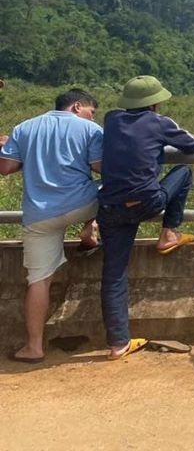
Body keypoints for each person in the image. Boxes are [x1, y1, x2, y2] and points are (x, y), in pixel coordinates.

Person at [97, 75, 194, 360]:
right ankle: (169, 233)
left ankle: (118, 343)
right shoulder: (160, 122)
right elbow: (193, 145)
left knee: (114, 275)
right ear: (154, 102)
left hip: (110, 207)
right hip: (147, 202)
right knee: (184, 172)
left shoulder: (111, 119)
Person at [1, 89, 103, 363]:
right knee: (109, 187)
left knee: (38, 281)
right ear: (77, 106)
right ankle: (88, 228)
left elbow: (6, 167)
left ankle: (33, 347)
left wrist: (22, 151)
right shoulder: (91, 130)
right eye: (91, 112)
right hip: (82, 205)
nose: (92, 118)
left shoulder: (24, 128)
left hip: (39, 215)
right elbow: (101, 167)